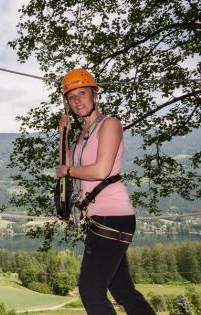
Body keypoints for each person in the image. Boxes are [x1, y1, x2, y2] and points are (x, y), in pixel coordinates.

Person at [56, 68, 156, 315]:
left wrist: (67, 170)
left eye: (82, 93)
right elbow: (66, 168)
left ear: (95, 93)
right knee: (122, 290)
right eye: (71, 97)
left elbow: (100, 170)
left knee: (90, 290)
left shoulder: (110, 124)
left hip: (112, 216)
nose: (78, 100)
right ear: (67, 104)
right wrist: (63, 135)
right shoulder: (81, 135)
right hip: (99, 219)